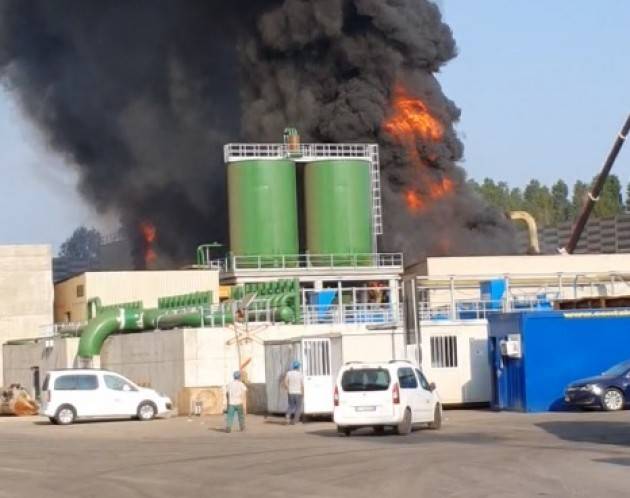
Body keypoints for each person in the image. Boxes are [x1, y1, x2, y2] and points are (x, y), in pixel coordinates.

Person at [283, 360, 304, 425]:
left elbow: (285, 382)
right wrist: (303, 393)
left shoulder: (289, 373)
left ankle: (287, 416)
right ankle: (295, 421)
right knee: (298, 407)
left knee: (291, 405)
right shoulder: (300, 374)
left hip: (290, 392)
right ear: (298, 367)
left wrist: (287, 389)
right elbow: (302, 385)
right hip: (298, 392)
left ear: (293, 366)